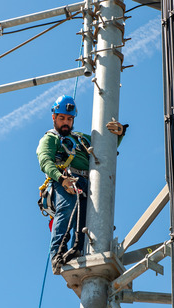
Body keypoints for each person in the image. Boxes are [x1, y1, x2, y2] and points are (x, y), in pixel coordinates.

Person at [37, 95, 128, 275]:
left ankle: (78, 252)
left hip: (88, 183)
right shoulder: (51, 139)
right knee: (68, 208)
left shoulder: (80, 139)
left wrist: (118, 134)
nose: (66, 123)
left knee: (88, 220)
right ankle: (58, 255)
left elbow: (105, 145)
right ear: (54, 117)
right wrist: (61, 179)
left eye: (69, 119)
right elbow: (45, 161)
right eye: (62, 118)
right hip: (65, 181)